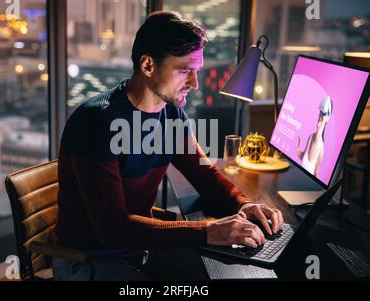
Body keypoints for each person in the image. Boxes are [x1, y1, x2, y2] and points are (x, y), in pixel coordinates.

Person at [53, 11, 284, 281]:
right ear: (148, 65)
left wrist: (242, 204)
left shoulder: (171, 115)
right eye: (185, 70)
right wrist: (208, 231)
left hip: (139, 248)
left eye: (196, 71)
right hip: (87, 258)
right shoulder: (96, 122)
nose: (195, 83)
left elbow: (205, 176)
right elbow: (112, 228)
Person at [296, 95, 333, 177]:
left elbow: (316, 173)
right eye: (320, 112)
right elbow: (303, 159)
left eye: (324, 114)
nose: (320, 115)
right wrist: (298, 151)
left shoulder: (321, 149)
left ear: (328, 118)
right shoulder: (311, 137)